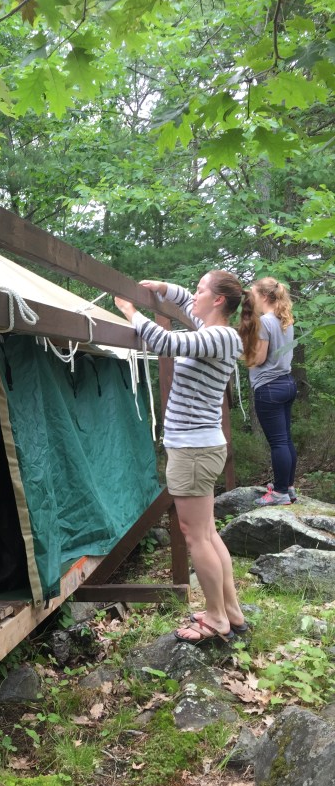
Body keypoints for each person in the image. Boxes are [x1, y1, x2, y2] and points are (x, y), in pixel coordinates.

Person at [115, 272, 260, 644]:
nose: (193, 294)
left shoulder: (218, 336)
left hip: (194, 450)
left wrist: (130, 310)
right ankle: (231, 612)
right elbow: (182, 302)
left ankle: (216, 618)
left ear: (217, 300)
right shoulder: (214, 330)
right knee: (207, 534)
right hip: (198, 447)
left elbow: (164, 341)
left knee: (195, 536)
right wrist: (163, 288)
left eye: (200, 290)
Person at [248, 278, 297, 506]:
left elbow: (259, 358)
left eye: (253, 295)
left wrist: (244, 354)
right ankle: (288, 486)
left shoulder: (264, 322)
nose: (251, 299)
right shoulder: (285, 319)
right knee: (285, 439)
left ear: (264, 297)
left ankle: (279, 493)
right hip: (287, 383)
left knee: (278, 442)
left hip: (269, 387)